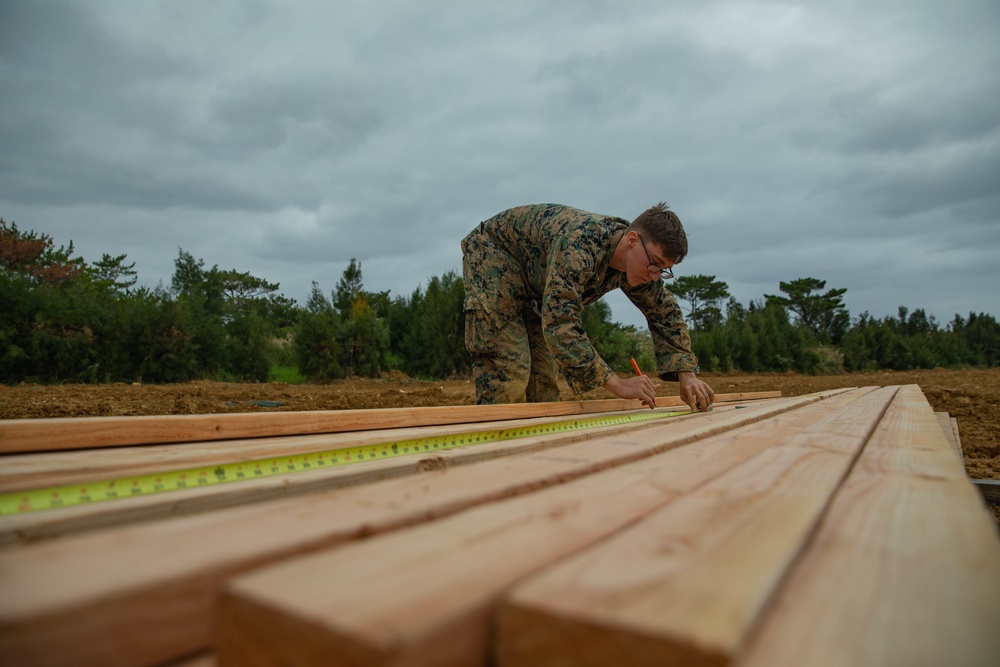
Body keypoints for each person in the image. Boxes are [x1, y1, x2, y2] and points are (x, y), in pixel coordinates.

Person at [461, 202, 715, 412]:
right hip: (494, 258)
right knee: (510, 372)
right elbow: (561, 323)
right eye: (655, 264)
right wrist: (617, 383)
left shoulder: (639, 264)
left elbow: (664, 312)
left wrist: (687, 374)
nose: (655, 276)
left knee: (544, 381)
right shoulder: (579, 244)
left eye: (664, 270)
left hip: (533, 284)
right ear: (632, 240)